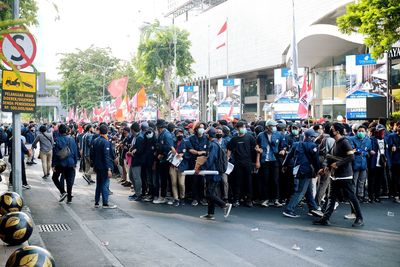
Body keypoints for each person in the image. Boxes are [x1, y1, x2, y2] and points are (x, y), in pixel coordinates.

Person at [314, 123, 364, 227]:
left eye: (332, 129)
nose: (330, 131)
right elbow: (331, 157)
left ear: (337, 131)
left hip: (345, 176)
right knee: (331, 198)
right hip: (334, 176)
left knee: (351, 197)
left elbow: (351, 157)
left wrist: (337, 164)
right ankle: (325, 219)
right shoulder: (335, 142)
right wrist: (325, 168)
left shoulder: (344, 142)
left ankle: (359, 218)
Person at [282, 129, 323, 218]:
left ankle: (313, 207)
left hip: (297, 169)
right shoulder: (313, 146)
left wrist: (284, 165)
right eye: (313, 136)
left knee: (308, 190)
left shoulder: (296, 144)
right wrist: (318, 170)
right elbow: (316, 161)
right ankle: (289, 210)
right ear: (310, 137)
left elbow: (289, 156)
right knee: (300, 191)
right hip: (307, 170)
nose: (314, 138)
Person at [197, 127, 232, 220]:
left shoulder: (213, 145)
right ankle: (210, 214)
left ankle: (224, 205)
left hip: (213, 173)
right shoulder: (216, 143)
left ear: (208, 135)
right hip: (213, 172)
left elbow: (210, 160)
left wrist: (200, 168)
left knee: (209, 193)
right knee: (211, 193)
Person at [227, 121, 258, 207]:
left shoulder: (250, 137)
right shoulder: (234, 139)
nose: (244, 129)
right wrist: (227, 159)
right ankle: (236, 199)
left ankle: (249, 199)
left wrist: (257, 160)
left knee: (249, 181)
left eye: (245, 127)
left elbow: (256, 147)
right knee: (237, 181)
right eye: (242, 127)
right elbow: (229, 149)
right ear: (237, 128)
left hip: (248, 162)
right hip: (237, 162)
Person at [256, 119, 285, 207]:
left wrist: (283, 150)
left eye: (275, 126)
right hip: (264, 160)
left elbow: (283, 146)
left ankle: (276, 199)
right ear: (267, 127)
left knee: (275, 180)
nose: (274, 127)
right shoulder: (261, 135)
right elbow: (257, 146)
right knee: (265, 180)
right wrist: (258, 151)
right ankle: (265, 199)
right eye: (273, 126)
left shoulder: (279, 135)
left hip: (275, 160)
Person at [91, 124, 117, 209]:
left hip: (98, 166)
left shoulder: (95, 140)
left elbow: (93, 155)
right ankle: (105, 203)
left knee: (98, 184)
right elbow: (106, 156)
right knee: (105, 184)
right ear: (107, 132)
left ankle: (96, 202)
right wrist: (109, 169)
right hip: (104, 167)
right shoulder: (105, 142)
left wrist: (94, 165)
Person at [51, 124, 78, 203]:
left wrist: (53, 165)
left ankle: (62, 191)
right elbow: (75, 152)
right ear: (66, 130)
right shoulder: (72, 139)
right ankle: (69, 198)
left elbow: (55, 154)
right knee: (69, 181)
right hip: (70, 163)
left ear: (59, 131)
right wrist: (75, 162)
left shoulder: (57, 140)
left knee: (55, 178)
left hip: (60, 163)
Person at [187, 122, 209, 206]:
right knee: (194, 180)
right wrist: (199, 152)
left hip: (203, 162)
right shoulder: (191, 138)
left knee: (202, 181)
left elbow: (207, 150)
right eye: (200, 127)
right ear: (196, 129)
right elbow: (190, 150)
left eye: (203, 127)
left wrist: (202, 153)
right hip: (194, 161)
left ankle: (202, 198)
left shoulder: (206, 138)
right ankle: (195, 198)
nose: (201, 129)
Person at [153, 119, 174, 204]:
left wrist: (163, 154)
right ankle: (164, 196)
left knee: (165, 178)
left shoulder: (166, 135)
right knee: (163, 178)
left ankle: (164, 196)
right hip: (161, 159)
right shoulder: (161, 134)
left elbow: (169, 148)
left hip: (166, 160)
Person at [169, 128, 189, 206]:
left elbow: (189, 153)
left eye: (181, 133)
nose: (179, 135)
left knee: (181, 183)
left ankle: (182, 197)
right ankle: (176, 198)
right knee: (173, 183)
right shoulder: (173, 143)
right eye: (178, 134)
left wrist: (183, 154)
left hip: (182, 165)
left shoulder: (186, 142)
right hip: (173, 165)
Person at [128, 122, 145, 201]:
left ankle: (139, 194)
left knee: (136, 177)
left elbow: (140, 150)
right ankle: (136, 192)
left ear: (132, 130)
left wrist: (133, 152)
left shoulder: (140, 138)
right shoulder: (135, 137)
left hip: (137, 160)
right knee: (131, 176)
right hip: (133, 160)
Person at [387, 121, 400, 203]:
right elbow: (390, 148)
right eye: (399, 126)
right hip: (395, 161)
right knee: (395, 179)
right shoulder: (392, 136)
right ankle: (396, 195)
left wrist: (397, 147)